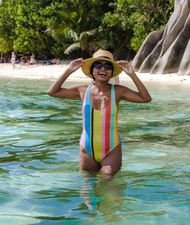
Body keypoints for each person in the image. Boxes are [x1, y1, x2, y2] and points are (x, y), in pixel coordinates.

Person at [47, 49, 151, 177]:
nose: (103, 69)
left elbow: (146, 98)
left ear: (112, 72)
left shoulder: (118, 91)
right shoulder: (82, 90)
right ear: (92, 70)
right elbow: (52, 92)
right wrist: (69, 70)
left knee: (107, 180)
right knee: (87, 186)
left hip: (111, 149)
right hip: (87, 149)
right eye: (98, 65)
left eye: (108, 66)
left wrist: (132, 74)